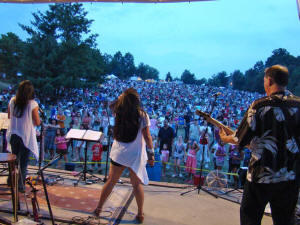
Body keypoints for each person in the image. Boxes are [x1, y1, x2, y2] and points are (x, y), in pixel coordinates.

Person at [219, 65, 300, 225]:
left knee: (250, 217)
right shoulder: (298, 105)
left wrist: (225, 138)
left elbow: (240, 139)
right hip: (290, 175)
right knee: (285, 220)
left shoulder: (260, 106)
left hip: (261, 175)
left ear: (269, 81)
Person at [93, 88, 154, 224]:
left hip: (119, 153)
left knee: (111, 181)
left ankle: (98, 208)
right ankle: (140, 214)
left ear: (123, 100)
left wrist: (121, 97)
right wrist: (151, 154)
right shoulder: (142, 115)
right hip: (135, 154)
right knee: (136, 185)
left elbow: (111, 104)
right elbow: (147, 137)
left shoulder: (118, 112)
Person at [6, 80, 41, 192]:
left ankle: (10, 181)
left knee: (14, 160)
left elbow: (9, 116)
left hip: (13, 134)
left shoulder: (12, 101)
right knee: (23, 162)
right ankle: (20, 185)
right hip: (25, 136)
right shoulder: (33, 104)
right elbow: (37, 122)